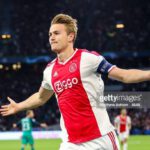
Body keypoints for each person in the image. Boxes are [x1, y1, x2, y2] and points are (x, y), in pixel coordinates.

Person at [0, 13, 150, 150]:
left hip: (101, 139)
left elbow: (124, 76)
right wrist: (19, 106)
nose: (51, 37)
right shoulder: (49, 70)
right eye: (50, 34)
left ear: (71, 36)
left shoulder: (88, 58)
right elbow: (40, 97)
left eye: (57, 33)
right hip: (70, 143)